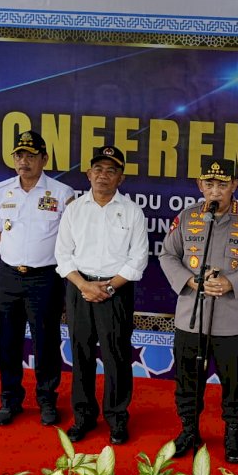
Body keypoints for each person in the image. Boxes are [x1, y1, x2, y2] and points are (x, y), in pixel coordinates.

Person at [159, 157, 238, 463]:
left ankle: (233, 433)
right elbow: (168, 255)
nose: (215, 191)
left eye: (222, 185)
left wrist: (231, 282)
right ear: (200, 185)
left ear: (234, 186)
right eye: (208, 184)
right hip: (190, 316)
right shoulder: (186, 217)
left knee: (233, 383)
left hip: (230, 319)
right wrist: (192, 282)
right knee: (187, 381)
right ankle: (188, 430)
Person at [55, 145, 148, 444]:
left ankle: (117, 418)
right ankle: (83, 416)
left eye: (111, 171)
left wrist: (107, 287)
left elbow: (138, 260)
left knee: (116, 356)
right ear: (88, 173)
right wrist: (84, 286)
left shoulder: (132, 211)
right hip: (79, 289)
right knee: (81, 355)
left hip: (115, 292)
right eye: (98, 169)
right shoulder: (74, 209)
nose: (103, 176)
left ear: (120, 178)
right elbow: (62, 256)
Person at [0, 131, 74, 426]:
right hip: (9, 275)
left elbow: (69, 238)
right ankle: (10, 400)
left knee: (46, 341)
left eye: (31, 156)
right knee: (6, 341)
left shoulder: (62, 194)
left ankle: (47, 400)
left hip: (45, 278)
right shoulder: (1, 190)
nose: (24, 162)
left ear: (44, 159)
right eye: (19, 156)